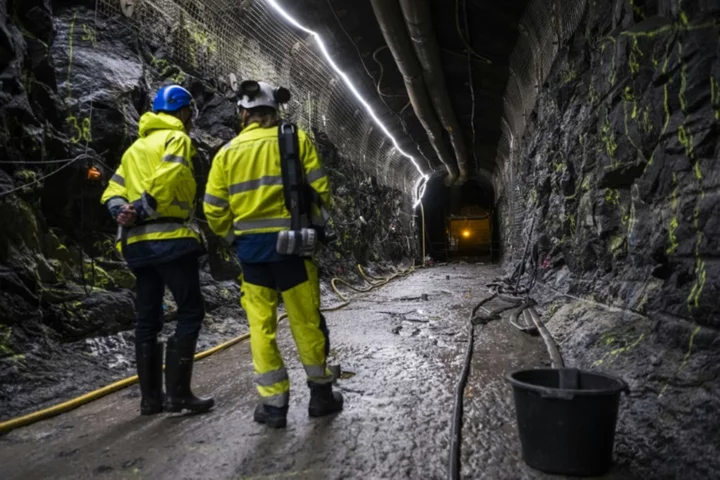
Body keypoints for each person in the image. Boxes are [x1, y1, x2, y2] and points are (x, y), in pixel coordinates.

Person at [203, 80, 342, 428]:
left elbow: (213, 209)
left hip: (252, 256)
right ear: (274, 111)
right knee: (306, 322)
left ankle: (274, 405)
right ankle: (321, 397)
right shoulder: (296, 141)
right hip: (294, 250)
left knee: (260, 327)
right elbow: (320, 191)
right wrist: (318, 230)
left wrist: (234, 239)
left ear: (243, 113)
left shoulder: (227, 152)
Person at [101, 85, 214, 415]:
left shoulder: (134, 149)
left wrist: (120, 208)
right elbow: (171, 173)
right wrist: (144, 206)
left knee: (147, 320)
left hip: (137, 245)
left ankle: (151, 400)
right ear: (182, 112)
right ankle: (179, 395)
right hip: (171, 240)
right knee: (190, 311)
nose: (191, 120)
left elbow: (112, 190)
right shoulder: (177, 138)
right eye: (190, 114)